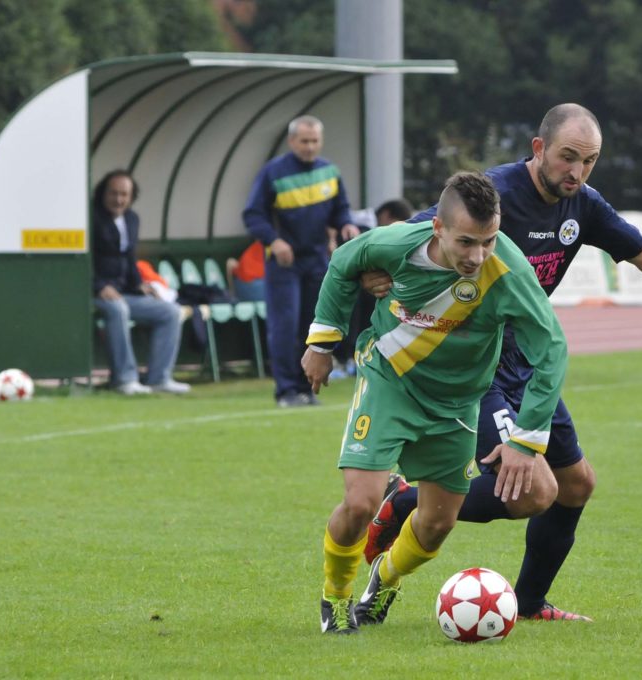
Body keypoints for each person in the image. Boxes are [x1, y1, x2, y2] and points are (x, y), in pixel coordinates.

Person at [360, 103, 642, 621]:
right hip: (476, 368)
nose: (577, 171)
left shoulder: (583, 204)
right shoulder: (494, 194)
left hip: (529, 367)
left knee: (576, 485)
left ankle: (529, 603)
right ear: (538, 149)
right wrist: (374, 271)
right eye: (568, 157)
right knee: (531, 493)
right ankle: (405, 502)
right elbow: (410, 236)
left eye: (589, 161)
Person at [303, 172, 568, 634]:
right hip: (391, 379)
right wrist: (322, 343)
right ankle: (337, 597)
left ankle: (384, 580)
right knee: (361, 503)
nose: (477, 256)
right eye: (466, 242)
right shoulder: (396, 244)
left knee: (437, 524)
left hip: (459, 403)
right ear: (438, 228)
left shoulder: (508, 271)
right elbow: (344, 260)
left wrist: (526, 442)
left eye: (488, 241)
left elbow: (552, 348)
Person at [242, 115, 361, 407]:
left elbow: (340, 209)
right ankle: (286, 391)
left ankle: (306, 389)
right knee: (285, 326)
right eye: (304, 141)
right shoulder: (274, 172)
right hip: (284, 263)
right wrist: (274, 241)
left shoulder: (329, 171)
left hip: (317, 260)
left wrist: (346, 224)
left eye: (315, 141)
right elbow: (253, 214)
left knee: (313, 326)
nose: (310, 147)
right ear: (291, 141)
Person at [91, 170, 191, 395]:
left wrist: (139, 285)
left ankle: (159, 378)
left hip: (124, 292)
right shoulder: (91, 218)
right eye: (113, 193)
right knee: (118, 309)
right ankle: (124, 380)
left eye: (124, 194)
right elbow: (83, 260)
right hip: (96, 293)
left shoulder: (131, 219)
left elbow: (129, 258)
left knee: (171, 312)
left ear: (131, 197)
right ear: (103, 194)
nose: (119, 199)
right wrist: (99, 286)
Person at [331, 197, 416, 379]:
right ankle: (344, 357)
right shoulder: (363, 229)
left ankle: (354, 356)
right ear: (386, 216)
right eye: (397, 224)